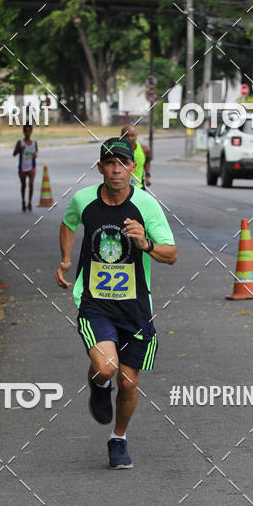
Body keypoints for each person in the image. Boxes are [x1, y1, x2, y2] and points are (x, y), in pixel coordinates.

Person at [55, 137, 177, 469]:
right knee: (107, 368)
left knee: (128, 380)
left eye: (122, 164)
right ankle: (98, 381)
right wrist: (66, 259)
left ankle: (118, 438)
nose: (116, 170)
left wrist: (145, 242)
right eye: (109, 163)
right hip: (94, 302)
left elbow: (171, 255)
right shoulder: (84, 200)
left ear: (132, 168)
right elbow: (67, 223)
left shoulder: (147, 206)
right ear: (100, 168)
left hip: (136, 308)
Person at [13, 123, 38, 212]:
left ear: (31, 132)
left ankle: (30, 202)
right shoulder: (20, 142)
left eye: (29, 131)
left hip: (32, 167)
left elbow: (36, 153)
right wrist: (20, 149)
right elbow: (14, 154)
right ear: (23, 132)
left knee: (31, 184)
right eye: (26, 131)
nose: (27, 133)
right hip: (22, 167)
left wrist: (35, 155)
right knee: (23, 185)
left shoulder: (34, 143)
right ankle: (23, 201)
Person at [120, 124, 151, 189]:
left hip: (139, 187)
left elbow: (147, 161)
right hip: (121, 188)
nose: (129, 138)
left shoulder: (144, 149)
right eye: (126, 136)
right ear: (121, 137)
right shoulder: (117, 151)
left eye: (132, 135)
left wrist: (147, 175)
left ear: (136, 136)